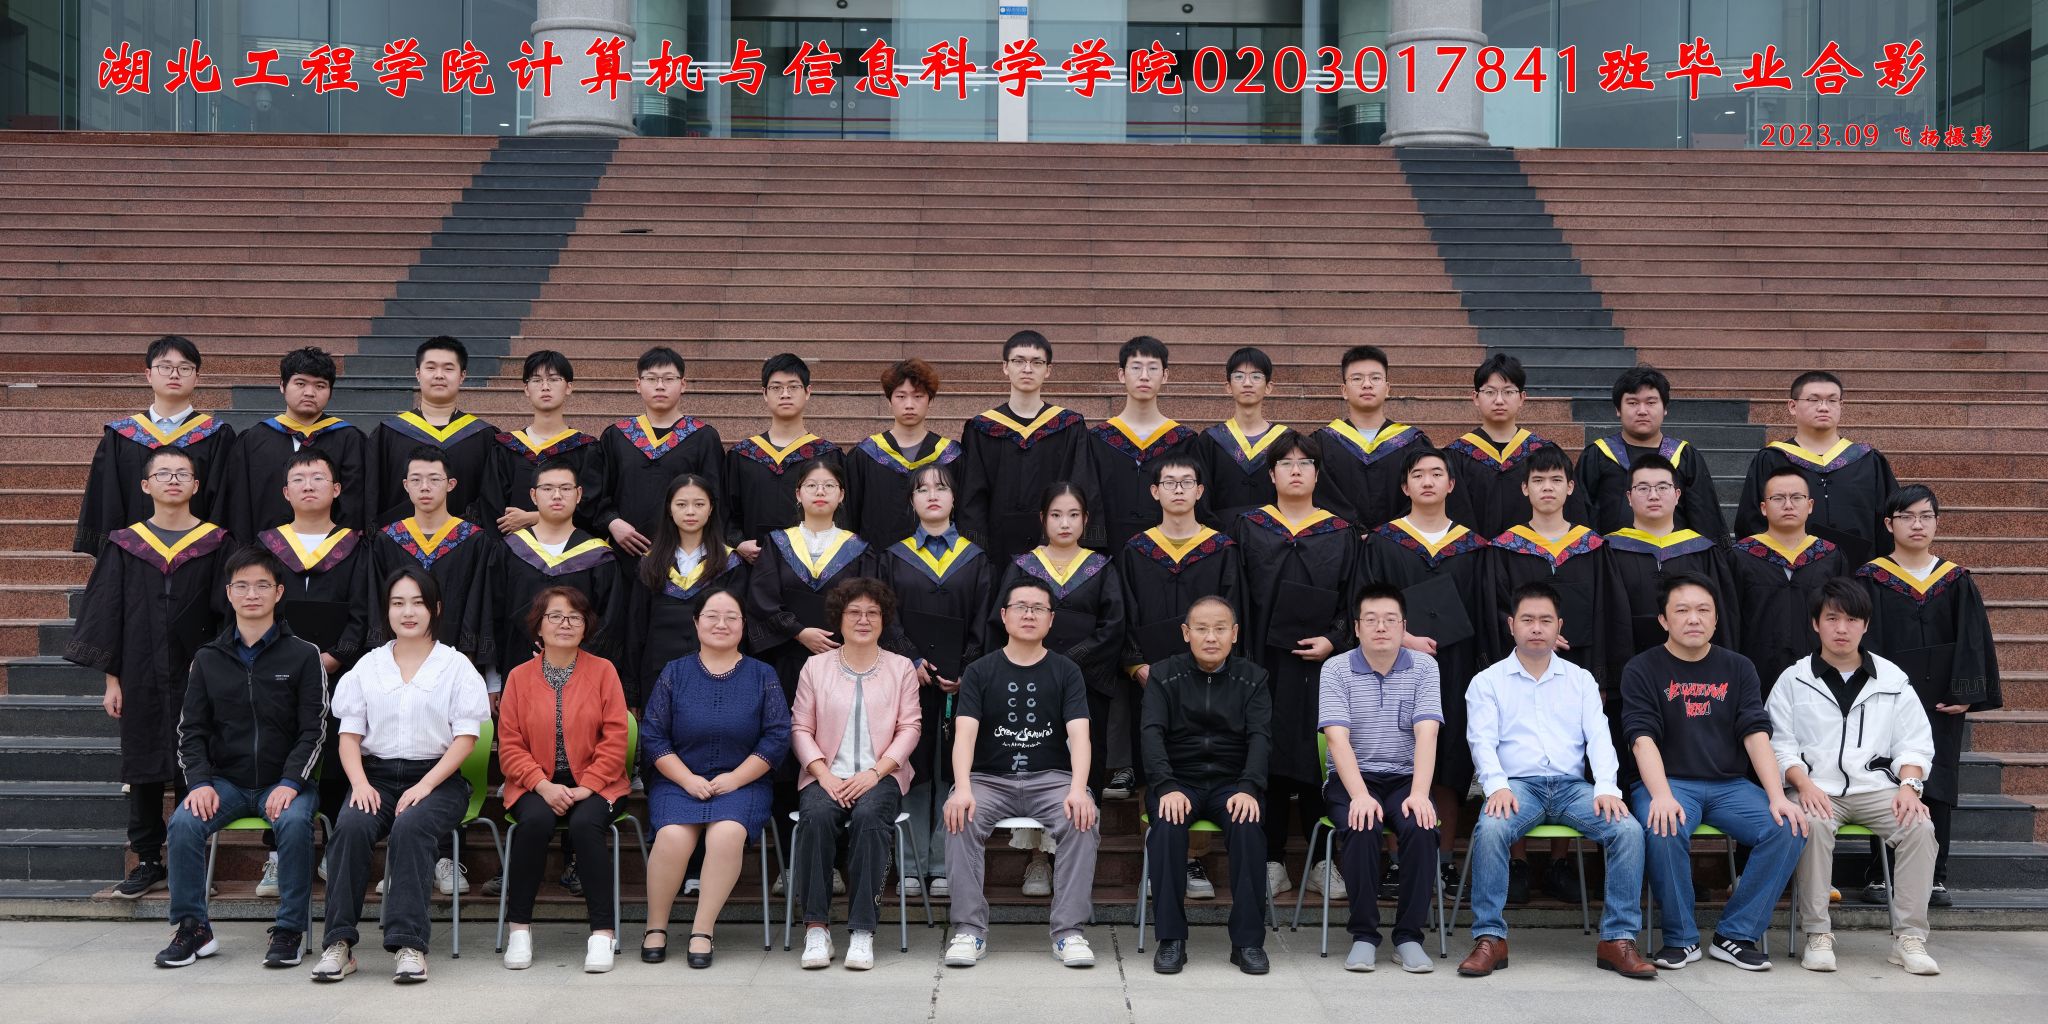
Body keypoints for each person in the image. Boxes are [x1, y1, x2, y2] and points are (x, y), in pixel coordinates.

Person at [1458, 582, 1653, 980]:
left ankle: (1617, 940)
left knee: (1628, 830)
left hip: (1571, 788)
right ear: (1511, 625)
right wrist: (1496, 785)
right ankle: (1490, 938)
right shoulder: (1488, 681)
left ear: (1559, 626)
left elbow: (1599, 737)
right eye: (1527, 619)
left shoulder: (1579, 680)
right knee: (1491, 828)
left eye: (1546, 620)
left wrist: (1607, 787)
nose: (1536, 627)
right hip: (1518, 786)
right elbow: (1481, 741)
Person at [64, 446, 230, 899]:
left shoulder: (217, 542)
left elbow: (227, 612)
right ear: (145, 485)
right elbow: (108, 613)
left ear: (196, 486)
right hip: (138, 668)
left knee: (195, 761)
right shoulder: (124, 543)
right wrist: (111, 679)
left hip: (199, 669)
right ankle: (149, 860)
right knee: (142, 764)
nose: (173, 480)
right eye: (163, 473)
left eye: (182, 474)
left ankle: (190, 861)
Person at [311, 567, 491, 984]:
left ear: (435, 609)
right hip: (374, 777)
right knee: (351, 825)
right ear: (386, 610)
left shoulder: (456, 666)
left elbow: (466, 739)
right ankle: (339, 944)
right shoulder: (368, 667)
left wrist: (425, 785)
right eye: (398, 603)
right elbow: (348, 737)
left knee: (411, 827)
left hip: (437, 779)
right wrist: (359, 784)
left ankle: (409, 945)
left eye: (417, 603)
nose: (408, 612)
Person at [1622, 572, 1807, 972]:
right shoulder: (1643, 668)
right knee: (1663, 823)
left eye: (1703, 610)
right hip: (1670, 782)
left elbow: (1756, 734)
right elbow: (1641, 738)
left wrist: (1777, 796)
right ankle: (1681, 939)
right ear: (1663, 619)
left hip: (1730, 786)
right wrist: (1662, 795)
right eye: (1682, 610)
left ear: (1716, 618)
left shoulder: (1738, 668)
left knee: (1788, 826)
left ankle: (1736, 935)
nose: (1694, 618)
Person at [155, 546, 326, 970]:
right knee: (183, 823)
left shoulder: (304, 654)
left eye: (262, 585)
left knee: (294, 823)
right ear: (229, 593)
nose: (252, 594)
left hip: (284, 782)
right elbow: (190, 731)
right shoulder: (208, 659)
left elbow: (315, 729)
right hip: (225, 783)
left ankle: (289, 930)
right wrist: (199, 783)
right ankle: (193, 928)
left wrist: (291, 782)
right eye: (242, 586)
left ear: (279, 592)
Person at [1767, 578, 1941, 975]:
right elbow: (1778, 744)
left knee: (1919, 826)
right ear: (1816, 624)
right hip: (1815, 788)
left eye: (1851, 619)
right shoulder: (1793, 679)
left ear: (1866, 625)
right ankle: (1817, 933)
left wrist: (1910, 786)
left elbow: (1914, 743)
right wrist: (1803, 784)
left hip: (1875, 789)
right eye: (1832, 619)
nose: (1841, 628)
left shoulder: (1892, 680)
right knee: (1810, 824)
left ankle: (1910, 938)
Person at [942, 578, 1101, 969]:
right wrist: (962, 788)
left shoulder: (1066, 670)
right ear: (1004, 615)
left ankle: (1068, 932)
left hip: (1050, 778)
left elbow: (1080, 736)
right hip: (989, 779)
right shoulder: (979, 671)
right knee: (959, 814)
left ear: (1051, 619)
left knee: (1083, 818)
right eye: (1021, 607)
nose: (1029, 615)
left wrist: (1079, 789)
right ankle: (969, 930)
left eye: (1038, 608)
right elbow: (964, 735)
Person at [1229, 429, 1361, 900]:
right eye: (1286, 463)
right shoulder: (1250, 528)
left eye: (1305, 463)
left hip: (1320, 667)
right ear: (1271, 475)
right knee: (1266, 754)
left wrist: (1334, 640)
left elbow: (1352, 600)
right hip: (1262, 662)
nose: (1296, 471)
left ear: (1317, 474)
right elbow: (1236, 596)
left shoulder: (1340, 531)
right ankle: (1272, 861)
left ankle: (1323, 862)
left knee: (1317, 757)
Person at [1856, 484, 2001, 907]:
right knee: (1883, 779)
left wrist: (1966, 693)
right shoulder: (1871, 578)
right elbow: (1864, 639)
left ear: (1936, 522)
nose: (1917, 525)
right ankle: (1880, 873)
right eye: (1907, 517)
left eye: (1926, 516)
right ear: (1890, 524)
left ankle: (1935, 876)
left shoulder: (1955, 579)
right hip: (1886, 699)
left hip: (1941, 701)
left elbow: (1973, 640)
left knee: (1936, 782)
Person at [641, 589, 790, 968]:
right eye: (711, 616)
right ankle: (655, 926)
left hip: (743, 783)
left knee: (726, 833)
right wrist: (687, 779)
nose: (721, 624)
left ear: (743, 625)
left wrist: (736, 778)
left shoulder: (763, 675)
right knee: (673, 836)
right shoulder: (674, 672)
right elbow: (653, 736)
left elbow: (777, 737)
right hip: (679, 781)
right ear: (696, 623)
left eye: (731, 617)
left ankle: (702, 930)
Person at [989, 484, 1126, 889]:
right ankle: (1037, 860)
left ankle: (1074, 858)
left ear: (1086, 520)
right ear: (1042, 519)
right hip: (1030, 679)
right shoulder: (1023, 566)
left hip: (1087, 682)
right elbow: (1004, 618)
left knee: (1084, 765)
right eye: (1056, 514)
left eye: (1073, 515)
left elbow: (1114, 625)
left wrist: (1071, 660)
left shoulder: (1101, 567)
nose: (1065, 523)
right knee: (1035, 762)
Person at [1363, 447, 1492, 863]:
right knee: (1397, 756)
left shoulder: (1473, 546)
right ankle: (1397, 861)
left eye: (1437, 473)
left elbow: (1483, 610)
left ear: (1451, 484)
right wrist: (1403, 637)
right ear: (1405, 486)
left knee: (1449, 760)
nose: (1428, 481)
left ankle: (1444, 859)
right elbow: (1366, 603)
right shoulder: (1384, 541)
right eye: (1418, 475)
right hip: (1392, 665)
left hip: (1457, 666)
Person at [497, 586, 632, 973]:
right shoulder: (519, 677)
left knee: (585, 824)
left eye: (575, 617)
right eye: (555, 616)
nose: (565, 624)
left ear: (586, 626)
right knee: (535, 822)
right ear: (538, 626)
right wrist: (542, 785)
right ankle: (519, 929)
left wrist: (588, 786)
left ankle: (602, 933)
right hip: (534, 784)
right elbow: (510, 745)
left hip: (599, 783)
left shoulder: (603, 671)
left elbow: (616, 738)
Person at [790, 578, 923, 971]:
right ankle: (816, 928)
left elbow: (910, 727)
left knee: (869, 817)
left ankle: (863, 930)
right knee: (816, 816)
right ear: (839, 618)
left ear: (884, 620)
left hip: (881, 774)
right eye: (854, 613)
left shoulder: (901, 668)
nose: (863, 620)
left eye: (872, 613)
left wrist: (876, 773)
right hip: (825, 773)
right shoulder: (815, 666)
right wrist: (822, 774)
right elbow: (800, 728)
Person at [1142, 597, 1272, 976]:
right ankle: (1171, 939)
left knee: (1248, 826)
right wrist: (1165, 785)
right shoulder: (1163, 675)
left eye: (1219, 629)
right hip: (1178, 781)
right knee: (1166, 827)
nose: (1210, 637)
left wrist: (1249, 787)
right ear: (1186, 633)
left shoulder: (1254, 678)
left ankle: (1247, 942)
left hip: (1232, 784)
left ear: (1234, 634)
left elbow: (1261, 737)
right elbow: (1151, 734)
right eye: (1201, 629)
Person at [879, 463, 991, 900]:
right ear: (911, 501)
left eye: (941, 488)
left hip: (960, 682)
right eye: (922, 489)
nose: (932, 495)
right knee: (913, 766)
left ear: (953, 498)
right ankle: (910, 865)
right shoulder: (894, 557)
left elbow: (984, 618)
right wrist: (910, 658)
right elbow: (887, 615)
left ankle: (944, 864)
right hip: (909, 679)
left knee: (953, 769)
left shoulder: (975, 558)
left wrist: (967, 668)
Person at [1318, 583, 1442, 975]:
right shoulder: (1336, 669)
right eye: (1370, 620)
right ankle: (1364, 935)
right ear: (1356, 628)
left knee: (1421, 826)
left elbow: (1428, 733)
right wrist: (1359, 795)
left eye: (1390, 620)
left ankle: (1408, 937)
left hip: (1405, 778)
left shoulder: (1424, 668)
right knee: (1362, 823)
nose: (1381, 627)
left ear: (1404, 626)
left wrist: (1420, 793)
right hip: (1352, 778)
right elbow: (1336, 738)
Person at [75, 335, 235, 555]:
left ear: (197, 378)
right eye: (165, 367)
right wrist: (114, 552)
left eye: (184, 368)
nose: (174, 374)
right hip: (131, 555)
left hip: (198, 556)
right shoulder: (121, 436)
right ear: (149, 374)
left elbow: (224, 502)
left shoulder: (217, 435)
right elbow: (108, 498)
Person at [1595, 454, 1739, 687]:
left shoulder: (1702, 551)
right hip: (1626, 669)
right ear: (1629, 498)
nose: (1653, 495)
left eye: (1663, 487)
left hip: (1694, 675)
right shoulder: (1608, 550)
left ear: (1677, 495)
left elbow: (1721, 617)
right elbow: (1601, 614)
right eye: (1643, 488)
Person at [1734, 370, 1899, 568]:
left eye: (1832, 400)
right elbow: (1751, 522)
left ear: (1841, 405)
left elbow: (1890, 524)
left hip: (1860, 574)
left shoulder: (1868, 461)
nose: (1823, 407)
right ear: (1792, 406)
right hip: (1788, 574)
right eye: (1813, 400)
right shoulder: (1772, 459)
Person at [958, 330, 1090, 566]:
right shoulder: (982, 428)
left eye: (1036, 362)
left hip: (1058, 548)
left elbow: (1082, 485)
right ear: (1005, 367)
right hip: (997, 549)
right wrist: (977, 553)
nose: (1027, 369)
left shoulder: (1069, 426)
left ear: (1048, 370)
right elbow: (972, 496)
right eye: (1019, 361)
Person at [1487, 445, 1618, 681]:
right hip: (1523, 666)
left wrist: (1603, 679)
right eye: (1538, 480)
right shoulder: (1506, 547)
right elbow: (1496, 606)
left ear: (1570, 487)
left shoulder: (1592, 546)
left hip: (1584, 666)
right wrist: (1536, 633)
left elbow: (1606, 610)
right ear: (1525, 488)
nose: (1547, 487)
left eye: (1556, 480)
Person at [214, 346, 367, 542]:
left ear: (330, 392)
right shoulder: (253, 441)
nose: (310, 392)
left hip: (332, 552)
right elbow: (239, 505)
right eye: (300, 383)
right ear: (282, 386)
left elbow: (354, 506)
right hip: (264, 552)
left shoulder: (350, 440)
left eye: (320, 386)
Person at [490, 458, 623, 682]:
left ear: (579, 494)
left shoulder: (599, 556)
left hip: (582, 677)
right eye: (548, 488)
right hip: (516, 670)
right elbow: (493, 613)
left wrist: (575, 660)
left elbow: (610, 622)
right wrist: (493, 678)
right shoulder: (509, 550)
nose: (557, 495)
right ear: (533, 495)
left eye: (565, 488)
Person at [625, 473, 747, 712]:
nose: (690, 511)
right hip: (657, 673)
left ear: (711, 509)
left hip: (716, 674)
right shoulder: (651, 563)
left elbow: (739, 628)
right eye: (681, 504)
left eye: (699, 504)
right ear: (669, 509)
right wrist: (632, 692)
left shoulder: (729, 563)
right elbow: (636, 627)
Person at [591, 346, 725, 559]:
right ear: (638, 384)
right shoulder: (616, 436)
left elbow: (716, 497)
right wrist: (612, 522)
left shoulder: (703, 437)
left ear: (683, 384)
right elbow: (600, 494)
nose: (660, 386)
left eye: (669, 379)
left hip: (684, 555)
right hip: (626, 552)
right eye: (651, 379)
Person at [1725, 466, 1849, 691]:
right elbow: (1729, 620)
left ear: (1810, 505)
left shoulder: (1830, 556)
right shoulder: (1740, 556)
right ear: (1764, 508)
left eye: (1796, 497)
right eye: (1778, 498)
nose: (1788, 505)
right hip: (1754, 672)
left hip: (1820, 672)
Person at [370, 446, 494, 670]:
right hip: (396, 661)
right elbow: (376, 600)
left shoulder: (473, 540)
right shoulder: (387, 539)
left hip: (456, 660)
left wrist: (469, 657)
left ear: (451, 484)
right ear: (406, 485)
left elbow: (480, 601)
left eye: (434, 479)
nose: (425, 487)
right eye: (416, 480)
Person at [1079, 335, 1201, 550]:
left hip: (1169, 551)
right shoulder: (1098, 439)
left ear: (1165, 376)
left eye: (1153, 368)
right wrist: (1095, 552)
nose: (1144, 376)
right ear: (1121, 374)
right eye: (1136, 368)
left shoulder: (1183, 440)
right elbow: (1089, 501)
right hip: (1109, 551)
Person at [1576, 365, 1726, 538]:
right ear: (1618, 409)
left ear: (1665, 408)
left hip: (1677, 554)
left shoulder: (1685, 456)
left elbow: (1706, 520)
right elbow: (1580, 515)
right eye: (1632, 403)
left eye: (1651, 402)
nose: (1642, 411)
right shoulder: (1598, 455)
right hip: (1612, 554)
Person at [1446, 354, 1587, 537]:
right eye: (1490, 392)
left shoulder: (1543, 451)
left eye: (1508, 392)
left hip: (1534, 552)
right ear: (1476, 397)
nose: (1499, 400)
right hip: (1474, 553)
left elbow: (1572, 512)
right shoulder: (1457, 455)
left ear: (1521, 398)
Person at [364, 336, 497, 530]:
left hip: (466, 543)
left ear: (462, 376)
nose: (439, 375)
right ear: (418, 374)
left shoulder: (483, 436)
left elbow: (491, 500)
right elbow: (372, 496)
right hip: (398, 542)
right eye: (431, 367)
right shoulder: (388, 434)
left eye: (448, 368)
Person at [725, 353, 841, 563]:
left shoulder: (827, 454)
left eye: (793, 387)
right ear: (764, 393)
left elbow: (842, 514)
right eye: (776, 387)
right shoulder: (742, 455)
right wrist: (738, 542)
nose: (785, 394)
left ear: (808, 392)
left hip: (814, 564)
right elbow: (728, 510)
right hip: (753, 565)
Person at [475, 350, 602, 538]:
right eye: (536, 380)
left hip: (569, 550)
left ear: (568, 387)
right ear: (526, 389)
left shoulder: (585, 447)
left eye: (554, 379)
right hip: (513, 549)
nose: (545, 387)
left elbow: (590, 509)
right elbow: (491, 508)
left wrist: (534, 518)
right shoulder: (506, 447)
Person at [844, 358, 960, 548]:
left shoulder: (950, 456)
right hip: (877, 559)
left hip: (938, 560)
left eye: (918, 396)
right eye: (901, 396)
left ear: (930, 401)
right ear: (889, 401)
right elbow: (850, 516)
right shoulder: (865, 455)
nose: (909, 404)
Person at [1313, 345, 1430, 530]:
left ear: (1387, 388)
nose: (1367, 384)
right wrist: (1352, 530)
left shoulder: (1414, 442)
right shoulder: (1322, 442)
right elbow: (1321, 496)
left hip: (1399, 540)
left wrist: (1388, 534)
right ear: (1344, 390)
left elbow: (1425, 493)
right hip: (1340, 540)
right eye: (1357, 378)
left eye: (1375, 378)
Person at [1193, 346, 1287, 528]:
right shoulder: (1210, 440)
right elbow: (1201, 498)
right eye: (1239, 376)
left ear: (1269, 387)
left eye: (1256, 376)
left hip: (1274, 534)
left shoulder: (1285, 441)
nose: (1247, 383)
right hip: (1221, 534)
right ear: (1228, 386)